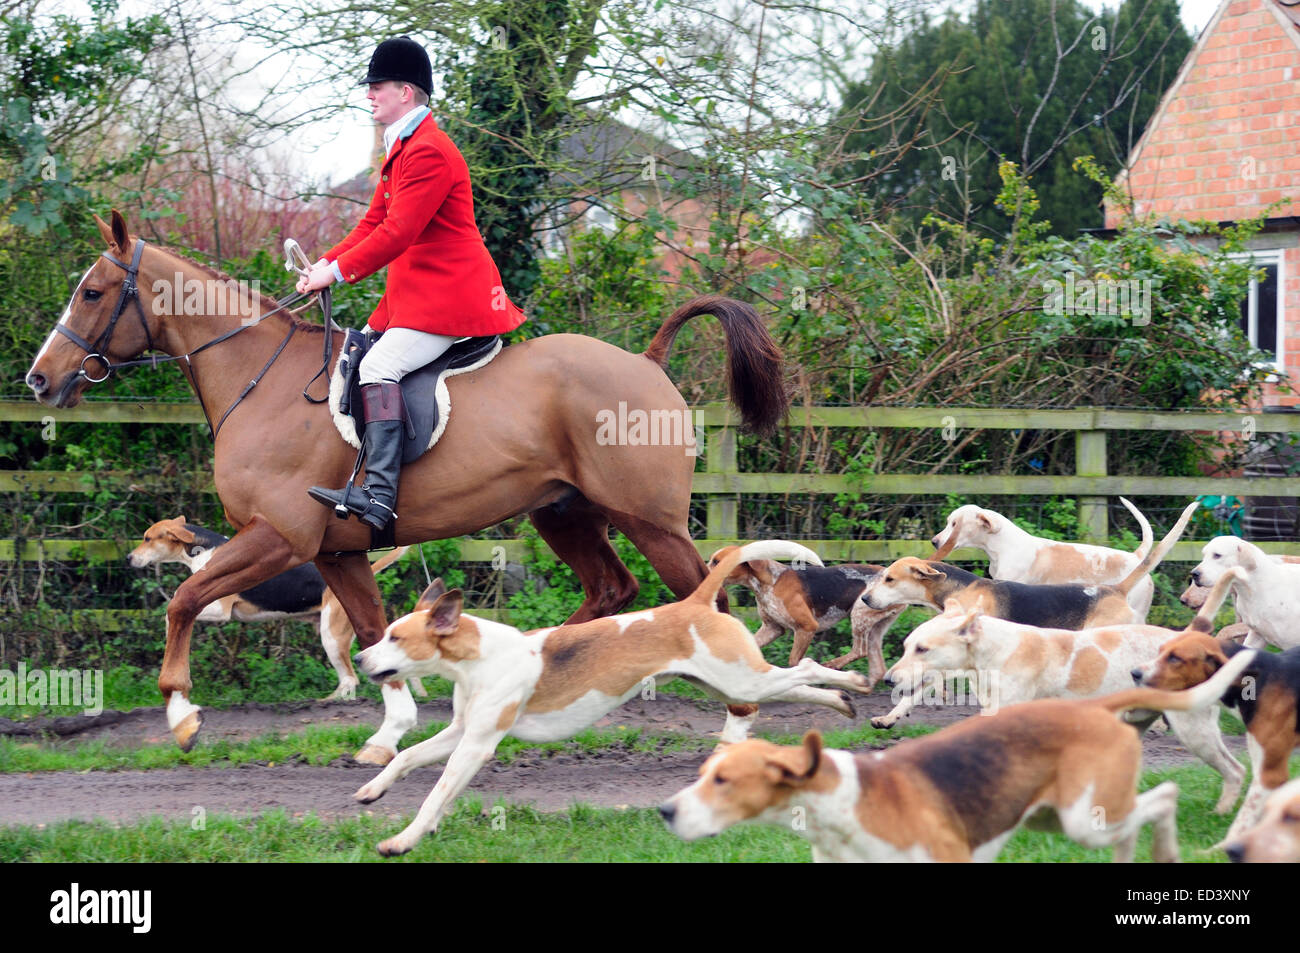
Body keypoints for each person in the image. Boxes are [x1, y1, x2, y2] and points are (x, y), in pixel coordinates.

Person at [299, 35, 527, 532]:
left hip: (450, 298)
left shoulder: (429, 152)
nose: (369, 95)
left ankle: (379, 497)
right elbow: (372, 225)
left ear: (406, 91)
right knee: (356, 353)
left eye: (377, 86)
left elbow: (399, 233)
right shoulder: (401, 149)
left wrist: (336, 273)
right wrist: (324, 264)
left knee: (378, 366)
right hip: (418, 295)